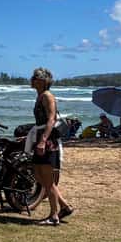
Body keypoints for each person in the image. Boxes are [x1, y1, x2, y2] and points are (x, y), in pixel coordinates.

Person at [29, 67, 74, 226]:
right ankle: (64, 206)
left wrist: (43, 140)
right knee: (39, 174)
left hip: (47, 140)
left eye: (34, 77)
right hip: (41, 137)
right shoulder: (40, 96)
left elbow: (51, 119)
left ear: (42, 81)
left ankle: (54, 215)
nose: (31, 79)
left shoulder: (47, 96)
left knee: (47, 179)